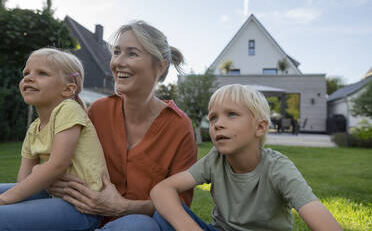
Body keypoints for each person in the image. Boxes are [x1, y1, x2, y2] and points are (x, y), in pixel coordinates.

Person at [48, 20, 198, 230]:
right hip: (82, 214)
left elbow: (181, 203)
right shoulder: (99, 111)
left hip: (139, 224)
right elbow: (67, 163)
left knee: (140, 225)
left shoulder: (179, 126)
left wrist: (123, 207)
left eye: (132, 53)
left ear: (161, 65)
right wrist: (58, 179)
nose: (118, 62)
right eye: (116, 52)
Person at [151, 84, 343, 231]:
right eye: (213, 118)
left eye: (231, 114)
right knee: (163, 214)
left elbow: (318, 215)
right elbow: (161, 190)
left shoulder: (278, 167)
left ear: (260, 127)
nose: (218, 124)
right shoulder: (214, 160)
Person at [0, 48, 107, 230]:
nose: (29, 78)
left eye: (42, 73)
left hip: (82, 207)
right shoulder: (34, 128)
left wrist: (5, 199)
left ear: (68, 89)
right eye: (26, 73)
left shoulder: (69, 110)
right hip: (52, 196)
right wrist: (12, 198)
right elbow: (23, 180)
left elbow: (57, 165)